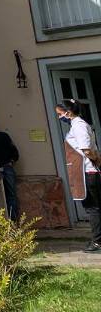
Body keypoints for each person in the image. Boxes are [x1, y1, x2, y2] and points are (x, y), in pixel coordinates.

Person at [58, 100, 101, 253]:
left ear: (68, 112)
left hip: (88, 172)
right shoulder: (77, 125)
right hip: (88, 171)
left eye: (60, 114)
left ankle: (97, 241)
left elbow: (87, 150)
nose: (59, 117)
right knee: (95, 207)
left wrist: (98, 162)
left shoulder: (79, 126)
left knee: (93, 208)